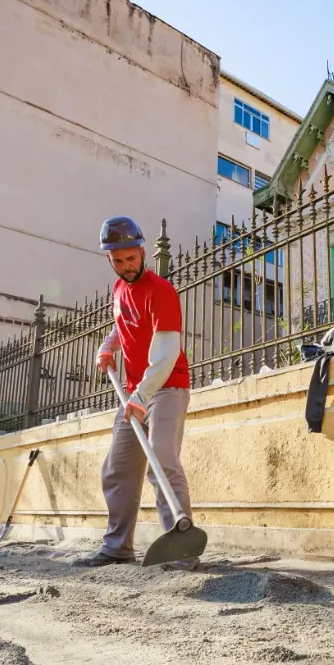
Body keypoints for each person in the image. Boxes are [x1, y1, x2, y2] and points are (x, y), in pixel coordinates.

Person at [73, 216, 196, 569]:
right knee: (118, 468)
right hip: (133, 391)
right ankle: (117, 548)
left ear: (143, 252)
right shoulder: (119, 288)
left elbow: (165, 354)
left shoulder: (162, 292)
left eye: (131, 259)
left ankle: (183, 548)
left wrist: (141, 398)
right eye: (118, 261)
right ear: (108, 259)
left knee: (161, 459)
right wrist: (108, 346)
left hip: (167, 386)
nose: (127, 267)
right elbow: (122, 322)